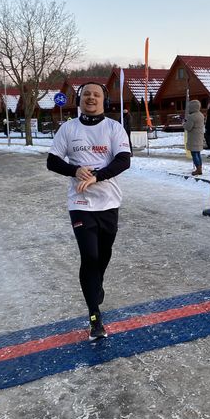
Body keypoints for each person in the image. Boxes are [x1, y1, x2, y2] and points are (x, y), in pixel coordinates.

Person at [46, 82, 131, 342]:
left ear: (104, 100)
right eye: (86, 95)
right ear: (79, 100)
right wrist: (74, 170)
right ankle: (94, 315)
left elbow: (123, 160)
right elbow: (52, 160)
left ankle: (96, 285)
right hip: (80, 204)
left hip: (108, 202)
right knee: (90, 256)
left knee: (103, 254)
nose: (91, 98)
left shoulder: (114, 128)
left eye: (96, 94)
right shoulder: (68, 128)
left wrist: (96, 176)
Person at [184, 99, 205, 176]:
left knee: (194, 154)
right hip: (199, 136)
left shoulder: (191, 116)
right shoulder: (201, 115)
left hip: (193, 137)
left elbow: (188, 127)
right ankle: (200, 168)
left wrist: (184, 123)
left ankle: (198, 169)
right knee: (198, 153)